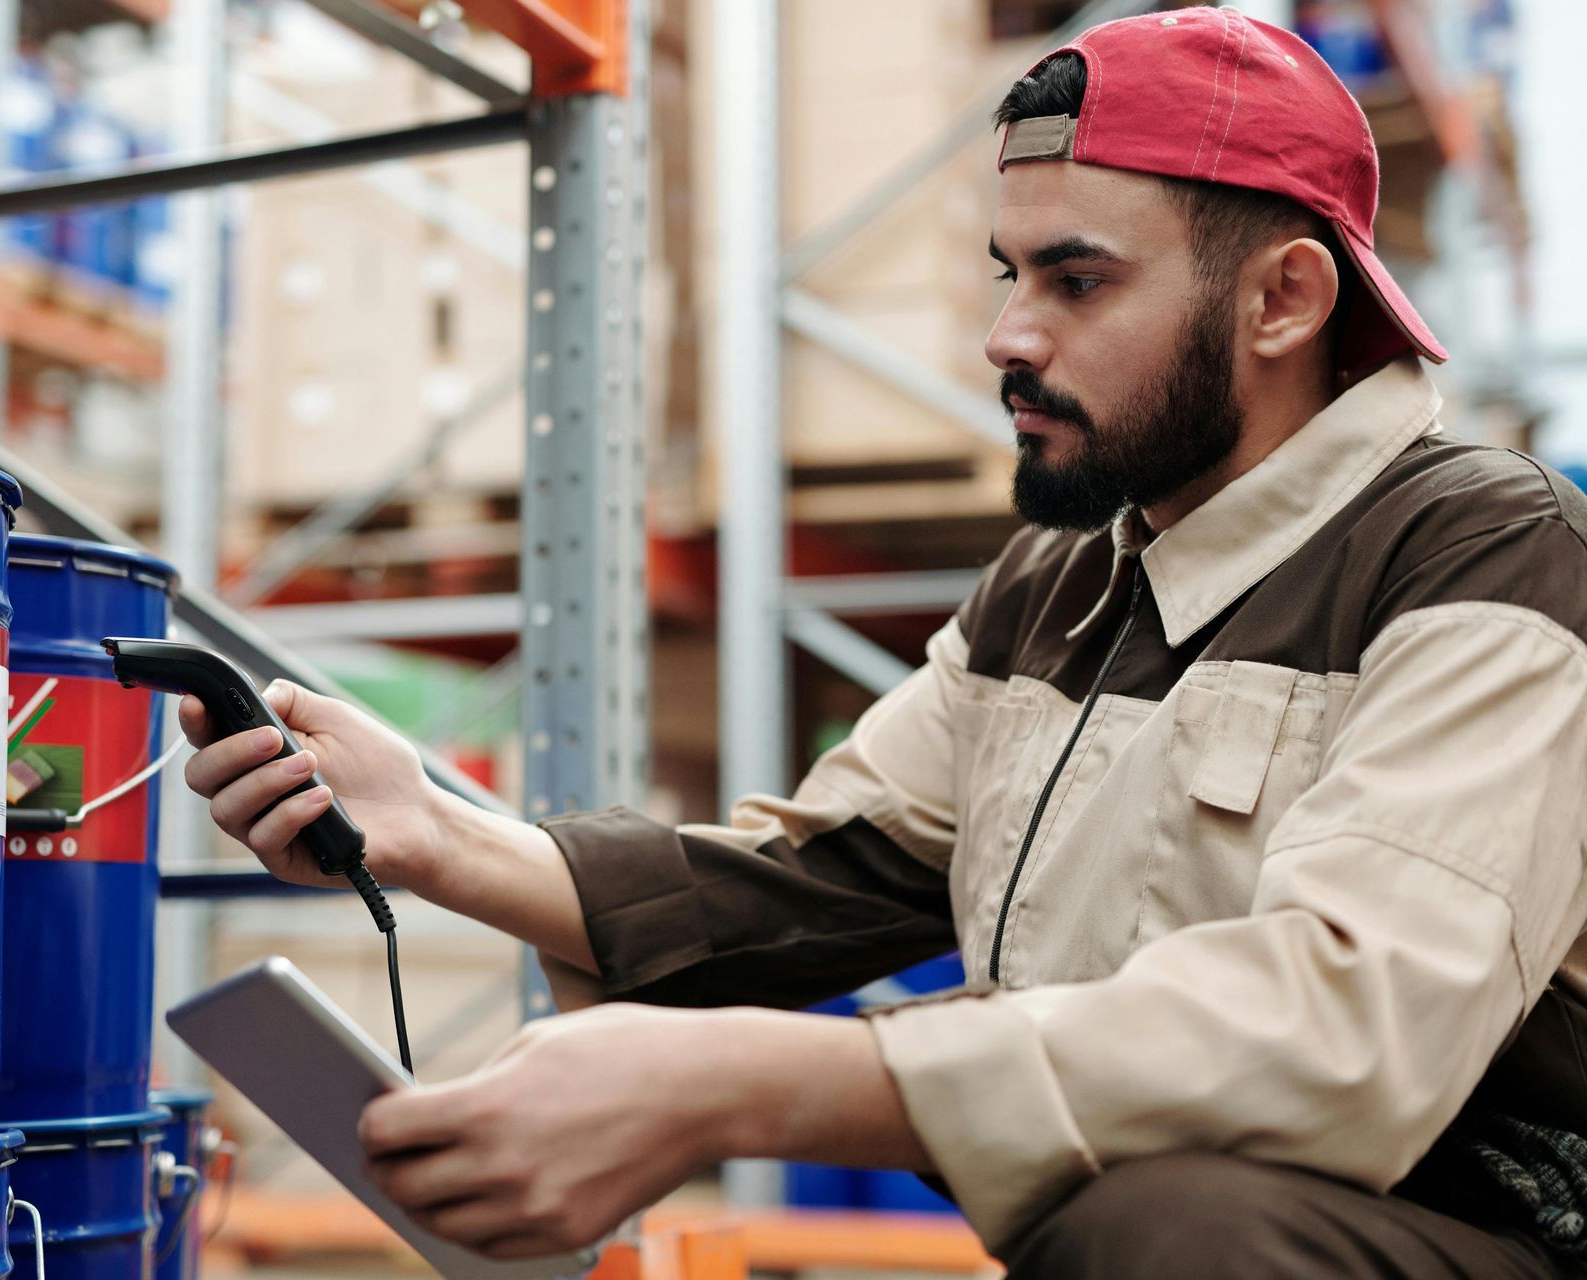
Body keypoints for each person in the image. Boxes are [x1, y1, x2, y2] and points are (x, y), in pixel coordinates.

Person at [181, 9, 1587, 1276]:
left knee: (1167, 1231)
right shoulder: (1060, 583)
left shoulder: (1487, 561)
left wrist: (731, 1083)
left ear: (1284, 299)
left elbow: (1347, 1033)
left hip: (1474, 1232)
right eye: (1003, 273)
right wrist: (431, 831)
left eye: (1077, 283)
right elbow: (826, 878)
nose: (1004, 335)